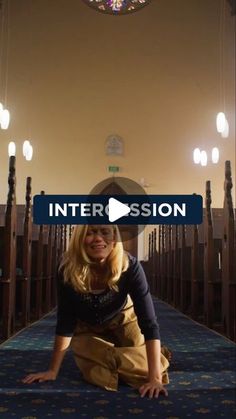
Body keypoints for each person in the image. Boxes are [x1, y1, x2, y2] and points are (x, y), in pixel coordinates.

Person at [22, 224, 170, 398]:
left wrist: (154, 378)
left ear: (114, 239)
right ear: (79, 239)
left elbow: (148, 321)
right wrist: (53, 371)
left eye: (105, 232)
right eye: (90, 233)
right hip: (86, 327)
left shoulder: (130, 265)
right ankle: (149, 357)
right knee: (101, 375)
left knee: (111, 368)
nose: (98, 238)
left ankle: (144, 357)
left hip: (124, 318)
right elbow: (65, 320)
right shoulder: (67, 268)